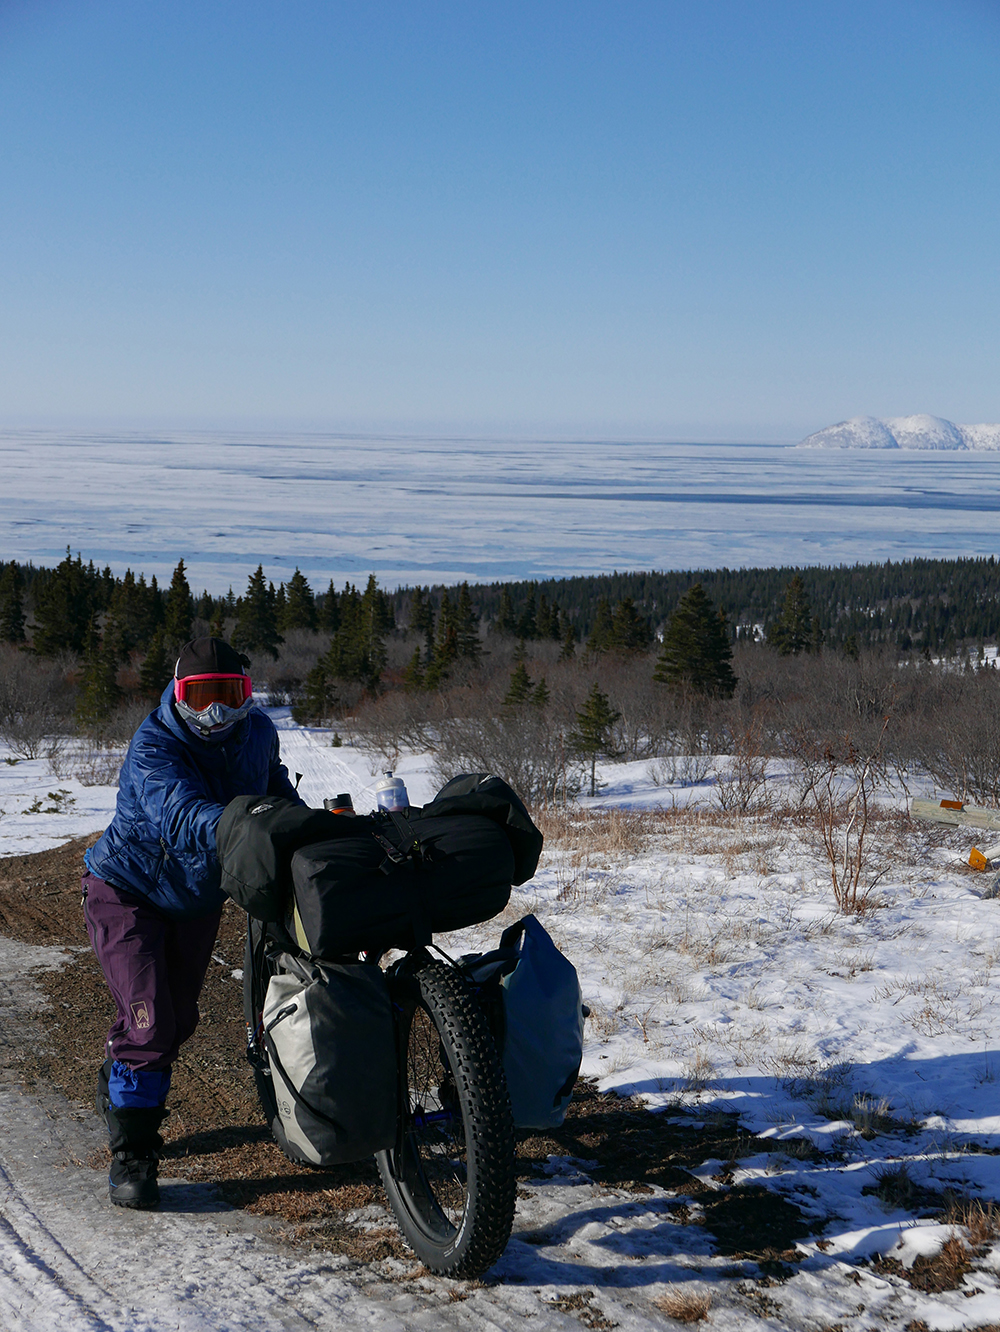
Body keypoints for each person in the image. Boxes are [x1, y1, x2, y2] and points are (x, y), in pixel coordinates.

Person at [82, 636, 303, 1209]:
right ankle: (133, 1150)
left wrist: (303, 823)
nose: (216, 713)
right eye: (201, 697)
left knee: (175, 1022)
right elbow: (179, 816)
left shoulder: (257, 733)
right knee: (150, 1024)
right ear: (177, 695)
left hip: (197, 900)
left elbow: (272, 787)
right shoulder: (154, 745)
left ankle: (121, 1079)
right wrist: (244, 823)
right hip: (126, 891)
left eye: (230, 696)